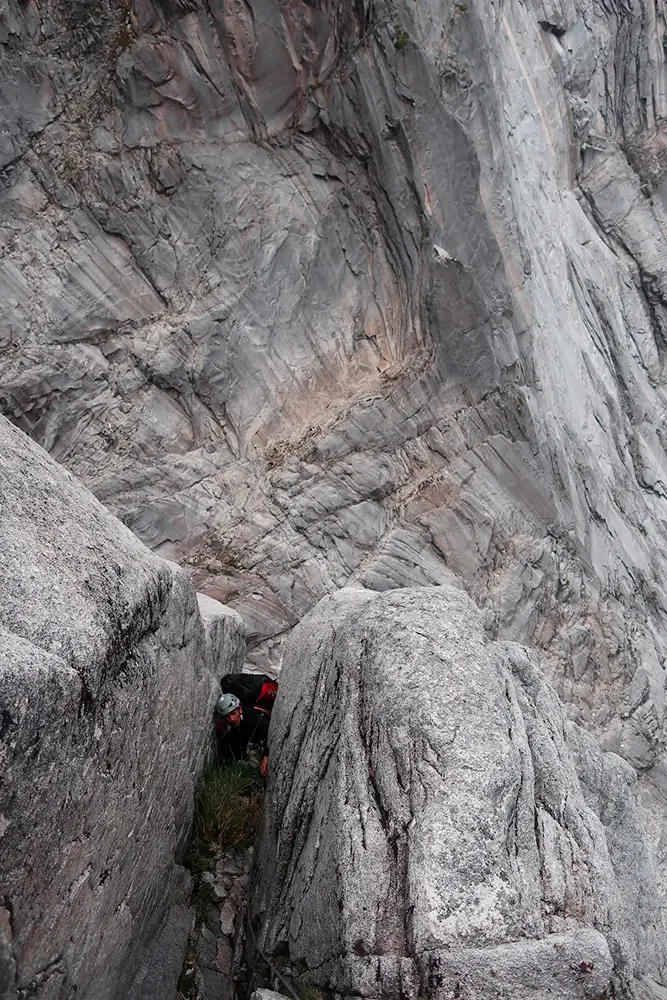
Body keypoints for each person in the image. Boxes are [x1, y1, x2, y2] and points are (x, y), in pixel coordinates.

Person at [214, 677, 277, 776]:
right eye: (227, 716)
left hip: (258, 736)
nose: (232, 719)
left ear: (240, 709)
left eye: (233, 714)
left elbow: (272, 735)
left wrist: (266, 756)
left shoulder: (256, 719)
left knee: (243, 764)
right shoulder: (236, 720)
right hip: (245, 730)